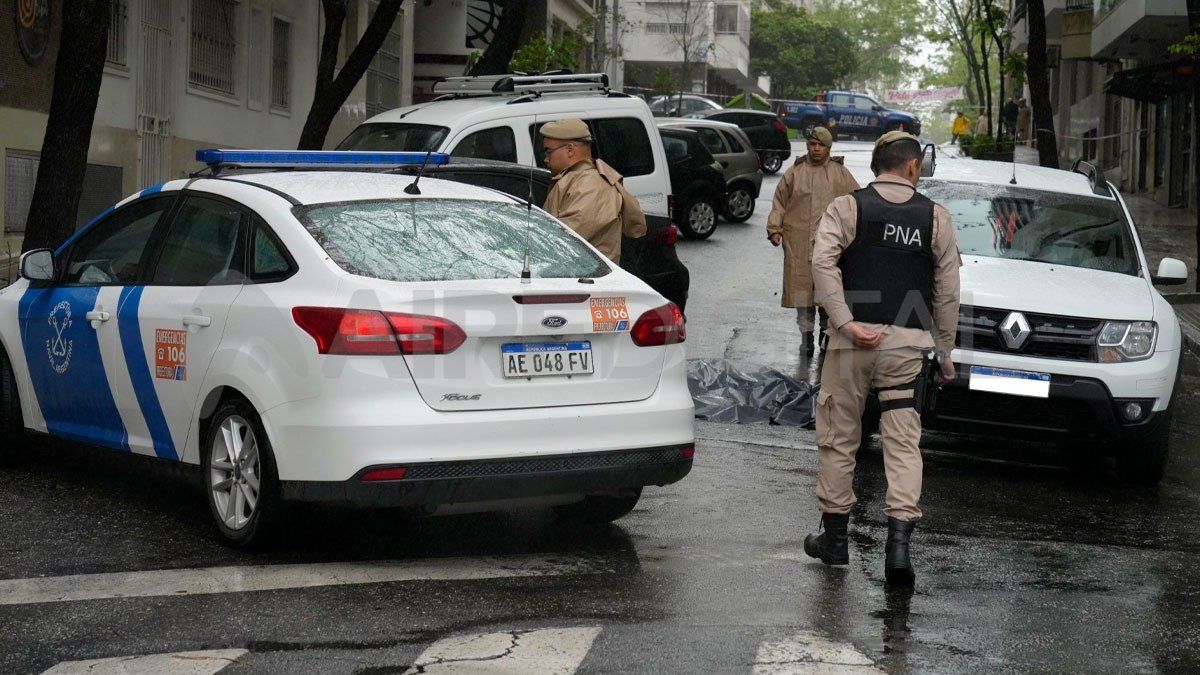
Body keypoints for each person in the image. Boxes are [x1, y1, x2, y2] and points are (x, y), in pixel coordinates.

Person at [803, 131, 960, 586]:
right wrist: (945, 352)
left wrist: (845, 320)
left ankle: (834, 541)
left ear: (877, 166)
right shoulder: (936, 218)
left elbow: (821, 262)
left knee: (838, 434)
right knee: (902, 441)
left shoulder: (847, 207)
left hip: (853, 342)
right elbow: (947, 291)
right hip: (907, 346)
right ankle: (898, 550)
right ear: (912, 167)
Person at [766, 127, 859, 359]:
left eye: (820, 145)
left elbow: (858, 202)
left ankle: (826, 336)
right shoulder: (795, 173)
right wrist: (774, 229)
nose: (815, 149)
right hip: (798, 242)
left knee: (828, 293)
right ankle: (805, 338)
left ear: (829, 148)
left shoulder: (841, 174)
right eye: (812, 144)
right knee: (803, 295)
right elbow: (779, 201)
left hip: (830, 245)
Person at [541, 118, 646, 264]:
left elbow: (562, 240)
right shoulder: (577, 179)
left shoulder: (591, 185)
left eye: (548, 151)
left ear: (570, 150)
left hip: (585, 281)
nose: (546, 159)